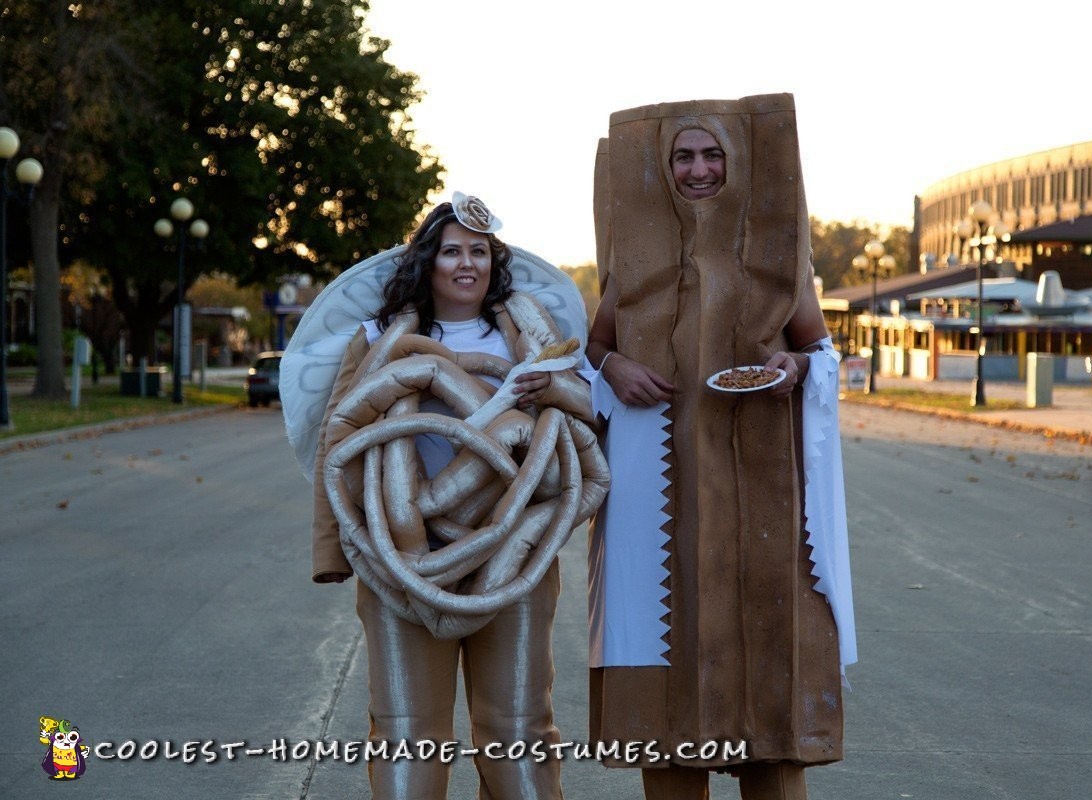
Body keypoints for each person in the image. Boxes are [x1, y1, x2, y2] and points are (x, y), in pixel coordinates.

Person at [289, 194, 608, 800]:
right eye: (452, 250)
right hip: (400, 559)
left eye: (480, 252)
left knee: (521, 731)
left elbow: (594, 421)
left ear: (495, 261)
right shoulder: (379, 336)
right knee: (407, 732)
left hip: (512, 552)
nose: (467, 264)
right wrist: (332, 551)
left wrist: (554, 393)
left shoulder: (535, 336)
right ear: (426, 260)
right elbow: (340, 436)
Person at [586, 94, 856, 800]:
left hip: (760, 490)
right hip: (654, 497)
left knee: (766, 654)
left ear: (736, 167)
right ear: (662, 167)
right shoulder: (632, 264)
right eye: (683, 156)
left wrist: (793, 370)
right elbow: (593, 347)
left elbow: (820, 351)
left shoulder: (776, 264)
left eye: (713, 155)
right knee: (661, 653)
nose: (699, 169)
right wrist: (614, 367)